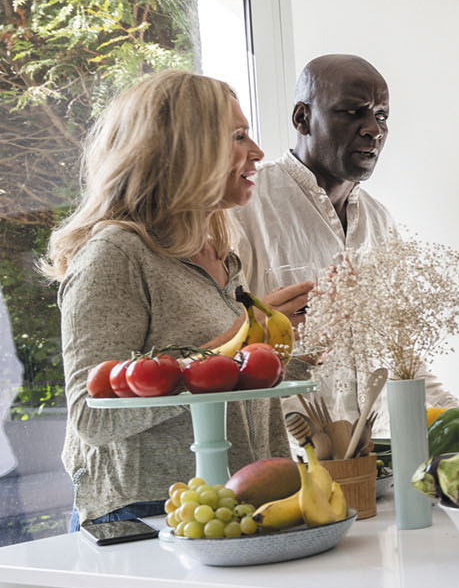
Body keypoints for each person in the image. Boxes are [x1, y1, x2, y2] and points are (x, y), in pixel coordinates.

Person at [43, 71, 303, 529]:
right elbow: (91, 416)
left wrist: (296, 347)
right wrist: (233, 349)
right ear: (185, 151)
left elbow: (239, 394)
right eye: (239, 137)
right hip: (147, 517)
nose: (258, 152)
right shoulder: (115, 256)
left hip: (238, 509)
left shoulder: (223, 255)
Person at [233, 54, 457, 425]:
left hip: (373, 456)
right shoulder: (245, 208)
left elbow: (401, 352)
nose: (373, 130)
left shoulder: (380, 221)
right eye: (352, 113)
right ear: (302, 118)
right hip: (286, 463)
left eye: (381, 115)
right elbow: (217, 346)